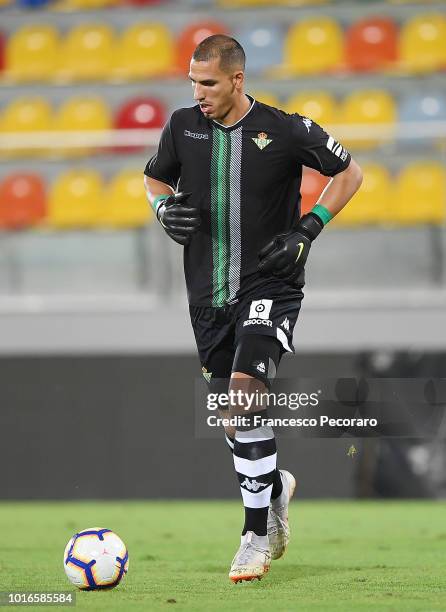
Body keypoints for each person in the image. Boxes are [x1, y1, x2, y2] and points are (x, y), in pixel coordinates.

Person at [144, 34, 363, 583]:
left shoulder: (286, 128)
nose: (198, 92)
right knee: (233, 421)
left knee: (245, 391)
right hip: (207, 293)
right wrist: (162, 207)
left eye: (208, 83)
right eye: (193, 81)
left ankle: (254, 535)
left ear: (237, 80)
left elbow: (350, 173)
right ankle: (275, 489)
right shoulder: (181, 126)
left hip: (271, 282)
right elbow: (153, 177)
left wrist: (311, 228)